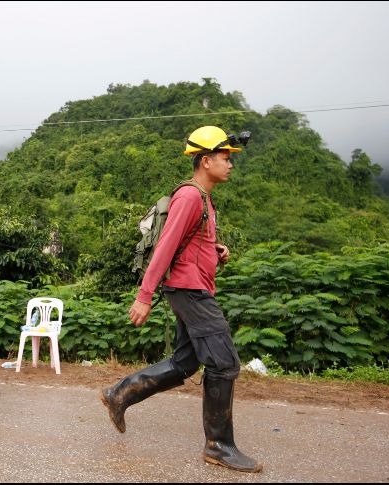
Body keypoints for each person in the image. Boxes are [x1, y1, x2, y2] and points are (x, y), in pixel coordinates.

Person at [100, 126, 262, 473]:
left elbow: (191, 245)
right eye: (224, 157)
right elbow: (166, 247)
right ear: (206, 161)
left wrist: (217, 252)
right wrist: (144, 296)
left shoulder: (204, 198)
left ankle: (120, 394)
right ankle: (219, 446)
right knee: (223, 362)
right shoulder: (189, 197)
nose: (230, 164)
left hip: (193, 286)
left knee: (186, 363)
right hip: (189, 291)